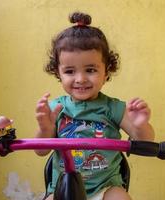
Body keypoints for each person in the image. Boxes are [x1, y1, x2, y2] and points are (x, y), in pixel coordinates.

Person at [35, 11, 154, 200]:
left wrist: (140, 126)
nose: (80, 79)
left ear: (107, 71)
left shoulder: (113, 108)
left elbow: (145, 143)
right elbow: (40, 151)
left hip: (106, 187)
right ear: (58, 73)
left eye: (90, 70)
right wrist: (46, 128)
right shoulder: (55, 108)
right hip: (63, 189)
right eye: (70, 71)